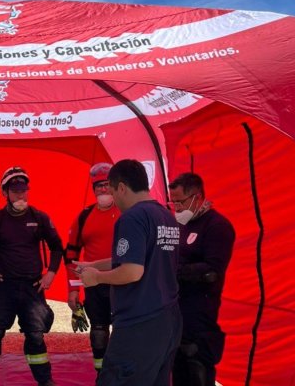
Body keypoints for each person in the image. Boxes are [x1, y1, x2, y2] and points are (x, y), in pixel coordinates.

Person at [76, 159, 182, 386]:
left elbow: (133, 271)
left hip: (139, 322)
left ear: (121, 188)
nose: (112, 198)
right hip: (167, 319)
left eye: (112, 191)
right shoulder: (165, 216)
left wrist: (97, 278)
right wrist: (93, 264)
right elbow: (139, 257)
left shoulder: (132, 217)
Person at [0, 166, 64, 386]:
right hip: (3, 287)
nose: (21, 194)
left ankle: (46, 381)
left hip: (33, 287)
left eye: (24, 190)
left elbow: (57, 247)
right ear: (5, 192)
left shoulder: (39, 217)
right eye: (15, 190)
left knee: (36, 336)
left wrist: (51, 274)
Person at [169, 173, 235, 386]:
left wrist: (178, 271)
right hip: (175, 309)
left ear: (197, 197)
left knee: (197, 366)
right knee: (177, 366)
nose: (177, 207)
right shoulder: (179, 225)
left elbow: (212, 270)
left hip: (201, 311)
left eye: (180, 201)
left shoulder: (217, 226)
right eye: (173, 202)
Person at [64, 162, 120, 376]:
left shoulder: (128, 211)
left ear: (115, 186)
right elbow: (71, 256)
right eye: (98, 186)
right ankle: (102, 375)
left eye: (107, 185)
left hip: (124, 282)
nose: (103, 190)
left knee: (124, 331)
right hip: (94, 285)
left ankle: (123, 374)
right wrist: (73, 290)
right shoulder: (85, 216)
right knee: (98, 331)